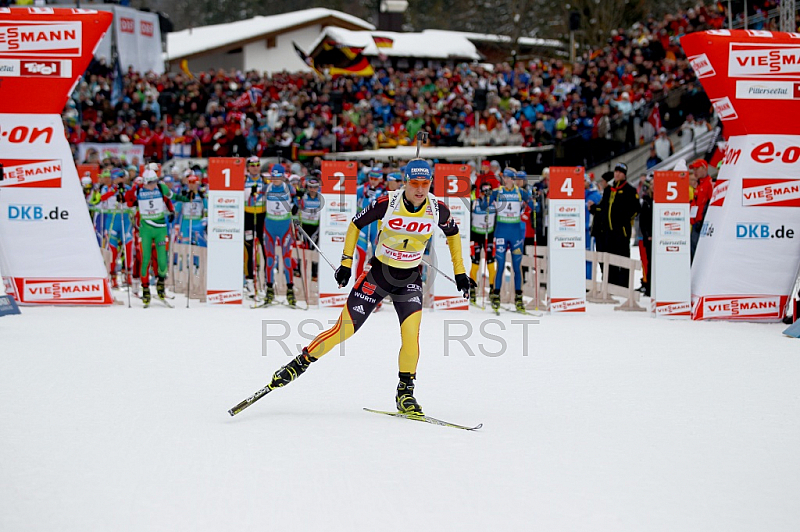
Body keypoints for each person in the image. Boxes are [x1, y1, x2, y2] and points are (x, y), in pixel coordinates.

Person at [264, 159, 473, 415]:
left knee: (411, 336)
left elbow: (453, 235)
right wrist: (345, 263)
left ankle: (405, 393)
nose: (420, 190)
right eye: (415, 184)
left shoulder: (437, 209)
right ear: (405, 182)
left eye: (425, 184)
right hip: (378, 275)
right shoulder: (389, 202)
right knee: (344, 330)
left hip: (408, 279)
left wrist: (461, 273)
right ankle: (299, 363)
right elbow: (355, 224)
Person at [126, 169, 175, 307]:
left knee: (159, 259)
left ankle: (160, 284)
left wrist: (171, 211)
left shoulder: (156, 191)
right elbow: (128, 201)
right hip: (141, 231)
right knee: (143, 260)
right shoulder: (138, 194)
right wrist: (134, 188)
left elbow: (166, 199)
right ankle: (144, 288)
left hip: (157, 228)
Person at [489, 168, 536, 312]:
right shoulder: (497, 192)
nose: (507, 180)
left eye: (510, 178)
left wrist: (535, 199)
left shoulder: (520, 192)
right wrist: (485, 198)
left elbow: (534, 208)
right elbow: (486, 206)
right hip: (501, 232)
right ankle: (496, 295)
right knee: (501, 265)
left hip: (515, 233)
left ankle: (518, 298)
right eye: (505, 178)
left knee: (517, 267)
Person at [589, 163, 640, 287]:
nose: (617, 174)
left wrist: (624, 219)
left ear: (624, 174)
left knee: (622, 258)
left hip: (621, 232)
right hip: (608, 233)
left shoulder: (629, 190)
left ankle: (624, 286)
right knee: (610, 260)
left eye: (620, 172)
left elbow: (635, 209)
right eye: (616, 171)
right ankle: (611, 285)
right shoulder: (609, 190)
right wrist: (595, 209)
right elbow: (604, 208)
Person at [263, 163, 298, 305]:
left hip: (284, 227)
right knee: (270, 260)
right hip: (270, 226)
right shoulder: (266, 188)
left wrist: (296, 206)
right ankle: (269, 290)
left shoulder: (289, 188)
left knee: (287, 259)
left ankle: (290, 290)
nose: (275, 179)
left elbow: (297, 199)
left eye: (278, 176)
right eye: (273, 176)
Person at [469, 176, 498, 304]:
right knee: (475, 264)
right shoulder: (474, 203)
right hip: (476, 235)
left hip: (489, 235)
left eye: (488, 192)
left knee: (491, 265)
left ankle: (492, 290)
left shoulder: (495, 204)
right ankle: (472, 290)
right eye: (483, 192)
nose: (486, 195)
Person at [354, 166, 386, 278]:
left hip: (376, 227)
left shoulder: (384, 192)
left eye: (376, 179)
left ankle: (375, 283)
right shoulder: (361, 189)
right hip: (363, 227)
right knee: (361, 255)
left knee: (377, 257)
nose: (373, 180)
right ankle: (356, 282)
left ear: (381, 179)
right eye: (371, 178)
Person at [244, 156, 267, 298]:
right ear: (247, 167)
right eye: (252, 165)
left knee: (265, 249)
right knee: (249, 248)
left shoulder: (265, 181)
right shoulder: (243, 181)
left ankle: (265, 282)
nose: (255, 167)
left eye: (257, 164)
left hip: (262, 218)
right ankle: (249, 282)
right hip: (248, 217)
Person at [296, 177, 322, 282]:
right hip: (304, 226)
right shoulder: (303, 197)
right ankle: (300, 270)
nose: (312, 189)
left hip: (315, 227)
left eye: (315, 187)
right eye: (310, 187)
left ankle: (314, 273)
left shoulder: (320, 198)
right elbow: (296, 211)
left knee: (313, 248)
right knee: (304, 248)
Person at [689, 158, 712, 262]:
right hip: (695, 225)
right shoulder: (699, 184)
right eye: (693, 169)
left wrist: (703, 222)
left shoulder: (709, 184)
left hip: (702, 226)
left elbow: (711, 206)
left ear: (704, 168)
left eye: (697, 169)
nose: (695, 172)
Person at [637, 175, 653, 296]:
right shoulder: (645, 201)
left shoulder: (656, 200)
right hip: (646, 237)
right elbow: (643, 221)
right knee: (646, 261)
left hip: (655, 238)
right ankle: (647, 284)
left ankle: (649, 283)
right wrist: (647, 234)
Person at [584, 173, 602, 280]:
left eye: (584, 181)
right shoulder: (577, 193)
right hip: (576, 231)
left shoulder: (595, 195)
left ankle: (588, 280)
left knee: (588, 255)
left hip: (588, 230)